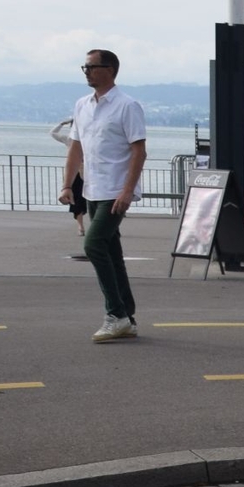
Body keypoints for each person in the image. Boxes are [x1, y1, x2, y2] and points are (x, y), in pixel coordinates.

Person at [62, 49, 146, 342]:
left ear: (109, 69)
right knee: (111, 252)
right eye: (83, 67)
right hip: (92, 189)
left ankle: (116, 314)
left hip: (115, 190)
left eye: (91, 66)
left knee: (94, 244)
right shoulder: (82, 105)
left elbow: (139, 150)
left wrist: (127, 190)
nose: (86, 71)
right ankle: (128, 317)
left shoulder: (127, 106)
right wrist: (67, 185)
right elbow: (76, 147)